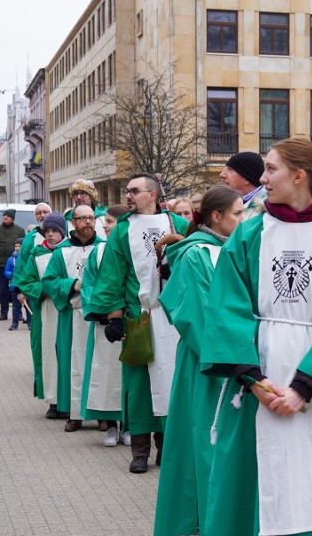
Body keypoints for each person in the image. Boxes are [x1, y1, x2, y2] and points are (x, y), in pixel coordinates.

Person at [199, 138, 312, 536]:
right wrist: (254, 380)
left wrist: (304, 387)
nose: (262, 178)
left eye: (271, 168)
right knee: (251, 481)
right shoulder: (250, 234)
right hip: (257, 379)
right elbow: (226, 306)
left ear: (299, 176)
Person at [153, 186, 244, 536]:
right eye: (237, 214)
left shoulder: (231, 251)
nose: (243, 219)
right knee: (204, 444)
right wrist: (237, 357)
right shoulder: (196, 257)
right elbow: (198, 318)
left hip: (237, 363)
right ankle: (202, 522)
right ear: (216, 217)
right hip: (210, 367)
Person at [84, 172, 188, 474]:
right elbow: (112, 274)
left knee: (172, 383)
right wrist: (114, 317)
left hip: (174, 318)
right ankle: (140, 450)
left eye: (134, 191)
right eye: (126, 191)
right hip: (138, 316)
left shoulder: (176, 225)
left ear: (152, 195)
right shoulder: (122, 230)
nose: (128, 196)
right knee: (139, 386)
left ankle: (166, 447)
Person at [42, 204, 103, 433]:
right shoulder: (62, 252)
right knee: (73, 365)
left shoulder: (105, 248)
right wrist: (72, 284)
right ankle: (74, 414)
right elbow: (48, 282)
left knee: (101, 366)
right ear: (73, 223)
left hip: (100, 316)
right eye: (82, 218)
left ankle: (103, 415)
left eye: (91, 217)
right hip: (73, 316)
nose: (87, 221)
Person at [80, 204, 128, 447]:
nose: (105, 226)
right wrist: (100, 311)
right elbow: (88, 285)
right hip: (104, 326)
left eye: (110, 221)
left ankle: (129, 424)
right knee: (106, 374)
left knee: (129, 375)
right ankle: (110, 426)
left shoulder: (131, 248)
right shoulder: (98, 253)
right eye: (105, 221)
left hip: (128, 323)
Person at [18, 212, 68, 418]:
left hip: (68, 310)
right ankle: (54, 401)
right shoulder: (37, 254)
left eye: (54, 231)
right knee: (48, 355)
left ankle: (70, 399)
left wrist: (63, 289)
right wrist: (45, 290)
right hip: (46, 311)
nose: (50, 235)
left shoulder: (69, 251)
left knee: (69, 354)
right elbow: (26, 281)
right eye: (47, 231)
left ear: (62, 232)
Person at [12, 202, 53, 331]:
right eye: (38, 213)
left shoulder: (62, 234)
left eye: (45, 212)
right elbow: (21, 264)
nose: (42, 215)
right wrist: (19, 290)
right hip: (37, 291)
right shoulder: (30, 238)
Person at [0, 208, 26, 321]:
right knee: (2, 290)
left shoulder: (20, 230)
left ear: (12, 218)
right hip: (1, 263)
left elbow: (23, 245)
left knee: (17, 289)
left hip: (16, 264)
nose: (5, 217)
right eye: (4, 215)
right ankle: (3, 313)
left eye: (7, 216)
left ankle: (18, 314)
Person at [219, 151, 266, 219]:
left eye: (230, 169)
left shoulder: (268, 212)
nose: (222, 174)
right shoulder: (226, 203)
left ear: (247, 178)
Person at [3, 238, 24, 330]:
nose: (17, 248)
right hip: (14, 285)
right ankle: (14, 323)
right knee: (16, 305)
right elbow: (6, 271)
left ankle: (30, 323)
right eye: (16, 246)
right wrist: (11, 274)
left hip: (25, 285)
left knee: (28, 305)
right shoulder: (11, 259)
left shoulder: (27, 258)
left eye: (19, 246)